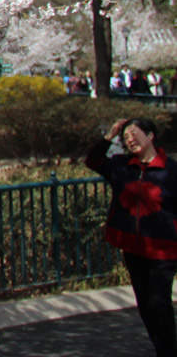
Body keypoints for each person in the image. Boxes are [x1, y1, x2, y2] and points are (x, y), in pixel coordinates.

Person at [87, 117, 177, 357]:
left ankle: (168, 351)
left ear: (150, 136)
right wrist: (110, 135)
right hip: (134, 248)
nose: (130, 140)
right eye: (126, 137)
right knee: (145, 305)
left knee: (159, 303)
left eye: (135, 134)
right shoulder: (122, 166)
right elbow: (93, 160)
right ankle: (162, 348)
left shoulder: (171, 171)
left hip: (164, 250)